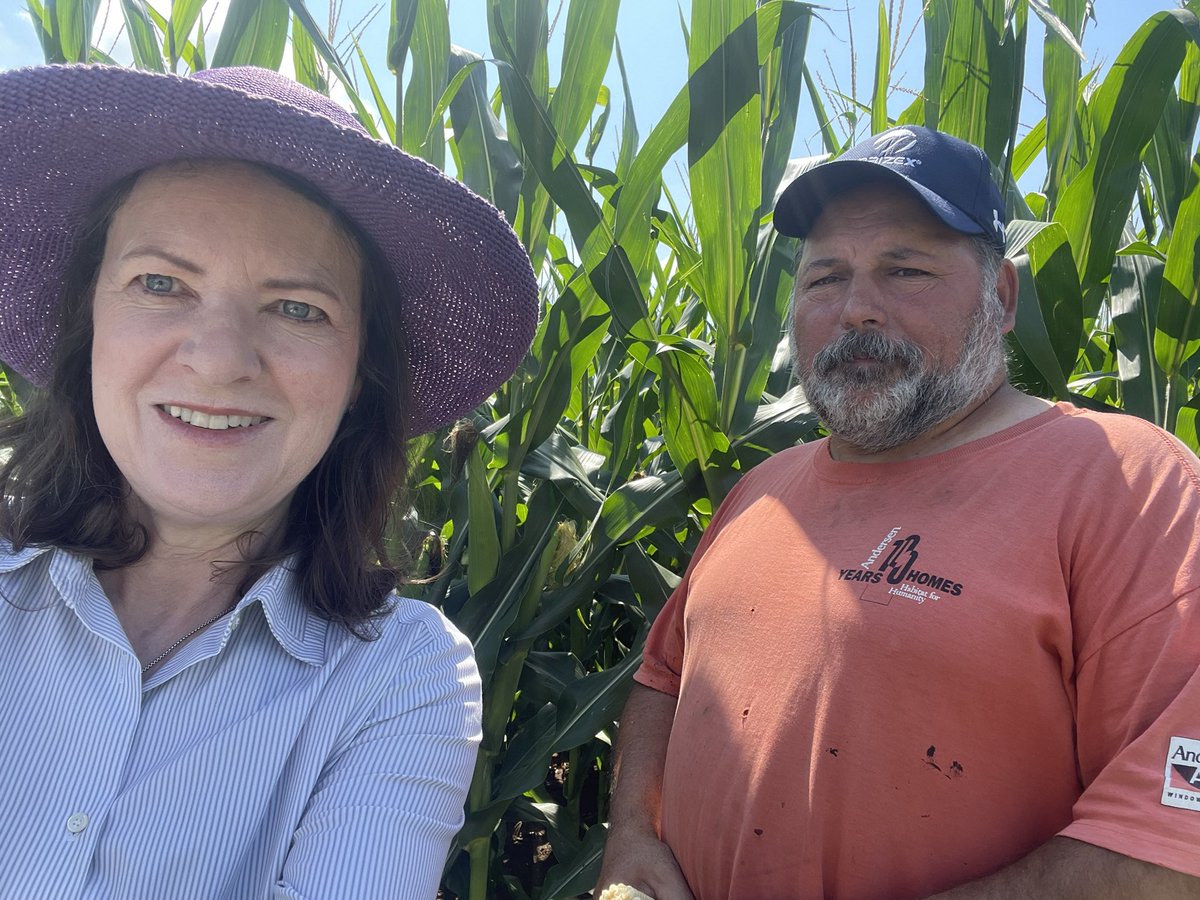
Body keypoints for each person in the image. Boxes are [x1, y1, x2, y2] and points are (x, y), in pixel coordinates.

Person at [595, 126, 1200, 899]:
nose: (856, 310)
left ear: (1002, 298)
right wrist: (631, 839)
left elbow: (1166, 852)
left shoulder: (1129, 484)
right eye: (823, 279)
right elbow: (664, 677)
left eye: (904, 269)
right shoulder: (761, 489)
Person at [0, 64, 537, 897]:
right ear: (88, 321)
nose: (217, 360)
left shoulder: (401, 678)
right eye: (160, 283)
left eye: (297, 308)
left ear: (361, 372)